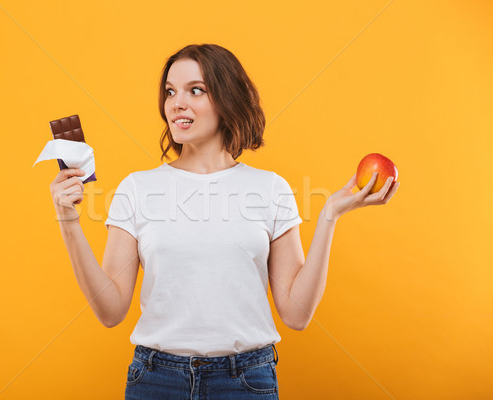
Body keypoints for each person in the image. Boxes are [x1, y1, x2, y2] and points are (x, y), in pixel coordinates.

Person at [49, 44, 400, 400]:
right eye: (170, 92)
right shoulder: (138, 188)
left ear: (227, 99)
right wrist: (69, 221)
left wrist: (328, 218)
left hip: (246, 381)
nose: (176, 103)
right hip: (157, 381)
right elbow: (110, 310)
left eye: (195, 90)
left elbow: (296, 315)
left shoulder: (270, 189)